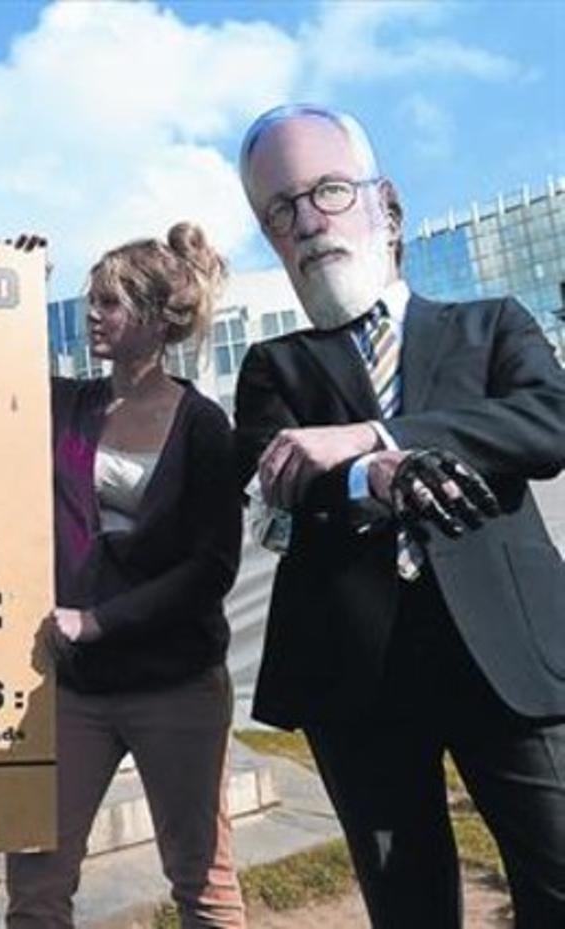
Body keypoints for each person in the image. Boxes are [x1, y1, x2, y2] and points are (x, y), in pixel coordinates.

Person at [235, 103, 565, 927]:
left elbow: (548, 422)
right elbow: (280, 477)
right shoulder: (274, 365)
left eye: (329, 191)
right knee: (407, 905)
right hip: (358, 677)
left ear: (387, 205)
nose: (308, 220)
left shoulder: (492, 326)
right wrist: (369, 476)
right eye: (281, 210)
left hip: (509, 661)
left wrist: (373, 434)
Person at [6, 224, 246, 928]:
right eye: (89, 299)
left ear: (156, 318)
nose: (92, 315)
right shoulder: (69, 405)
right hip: (75, 687)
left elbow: (212, 567)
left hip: (176, 681)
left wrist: (99, 619)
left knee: (202, 880)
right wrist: (23, 288)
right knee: (36, 884)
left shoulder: (203, 425)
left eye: (108, 302)